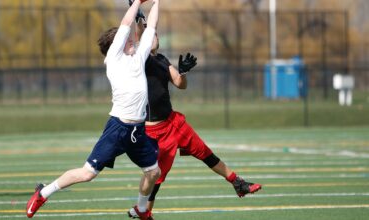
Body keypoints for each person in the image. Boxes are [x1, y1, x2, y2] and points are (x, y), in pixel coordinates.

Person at [26, 1, 160, 219]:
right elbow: (126, 23)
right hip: (118, 128)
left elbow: (152, 26)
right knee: (88, 173)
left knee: (153, 172)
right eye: (128, 38)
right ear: (118, 44)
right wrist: (136, 2)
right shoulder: (114, 59)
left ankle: (141, 210)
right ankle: (42, 193)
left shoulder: (138, 56)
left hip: (137, 131)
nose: (133, 39)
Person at [127, 6, 262, 216]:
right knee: (157, 177)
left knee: (204, 151)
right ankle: (145, 212)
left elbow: (181, 84)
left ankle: (237, 182)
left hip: (173, 122)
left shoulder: (162, 60)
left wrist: (183, 72)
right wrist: (139, 18)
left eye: (156, 34)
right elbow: (140, 34)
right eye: (150, 34)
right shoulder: (140, 59)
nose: (154, 36)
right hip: (155, 132)